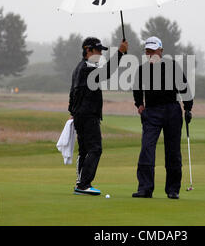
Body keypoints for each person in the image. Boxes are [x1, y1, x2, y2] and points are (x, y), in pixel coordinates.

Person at [132, 36, 193, 199]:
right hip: (151, 111)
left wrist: (188, 109)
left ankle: (173, 189)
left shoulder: (172, 66)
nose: (150, 54)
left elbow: (185, 89)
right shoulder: (142, 69)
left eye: (153, 51)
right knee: (147, 148)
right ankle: (145, 188)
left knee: (173, 151)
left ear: (161, 51)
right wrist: (139, 105)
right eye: (147, 51)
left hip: (172, 110)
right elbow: (137, 90)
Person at [68, 37, 128, 195]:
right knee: (95, 149)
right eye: (98, 50)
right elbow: (106, 72)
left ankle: (81, 182)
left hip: (81, 114)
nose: (101, 54)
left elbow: (73, 93)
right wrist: (120, 53)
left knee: (84, 150)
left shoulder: (79, 68)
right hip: (87, 115)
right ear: (88, 50)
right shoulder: (87, 68)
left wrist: (72, 112)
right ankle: (83, 184)